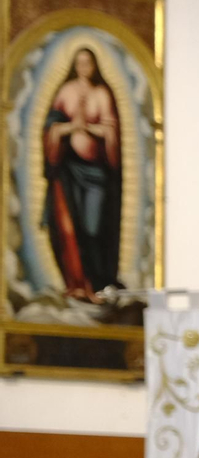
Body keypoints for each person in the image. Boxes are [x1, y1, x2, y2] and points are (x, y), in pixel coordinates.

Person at [43, 47, 122, 301]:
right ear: (74, 66)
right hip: (70, 170)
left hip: (95, 173)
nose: (83, 67)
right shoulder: (66, 92)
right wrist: (70, 127)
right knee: (72, 227)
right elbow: (52, 128)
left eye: (88, 63)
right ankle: (78, 285)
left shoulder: (102, 94)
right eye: (79, 63)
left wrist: (89, 128)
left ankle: (97, 283)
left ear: (94, 65)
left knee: (92, 227)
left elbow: (111, 131)